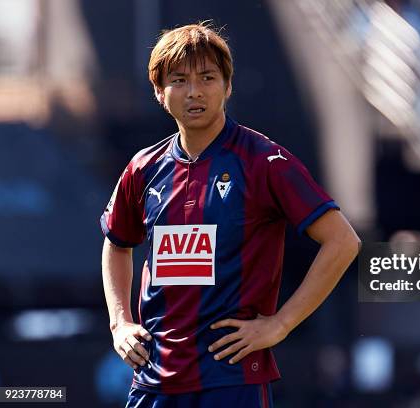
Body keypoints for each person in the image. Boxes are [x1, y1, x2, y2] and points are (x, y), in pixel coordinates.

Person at [100, 21, 360, 407]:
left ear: (228, 86)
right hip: (153, 379)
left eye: (207, 77)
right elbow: (117, 245)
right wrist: (120, 323)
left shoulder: (264, 161)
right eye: (179, 80)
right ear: (159, 91)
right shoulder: (143, 168)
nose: (195, 92)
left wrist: (281, 324)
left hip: (232, 379)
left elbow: (343, 242)